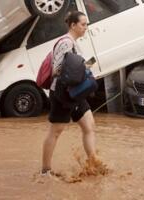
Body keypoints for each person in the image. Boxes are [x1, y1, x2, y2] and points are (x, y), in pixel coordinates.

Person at [41, 11, 102, 176]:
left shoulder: (75, 43)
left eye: (86, 24)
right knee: (56, 131)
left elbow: (74, 68)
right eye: (83, 24)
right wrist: (81, 69)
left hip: (75, 92)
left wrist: (86, 67)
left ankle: (94, 164)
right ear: (73, 25)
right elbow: (57, 70)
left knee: (89, 126)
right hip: (62, 93)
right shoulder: (66, 43)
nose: (86, 28)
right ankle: (45, 170)